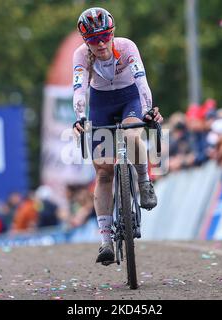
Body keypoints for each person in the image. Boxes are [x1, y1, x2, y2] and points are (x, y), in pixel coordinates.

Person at [72, 7, 163, 264]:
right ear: (85, 41)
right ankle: (105, 241)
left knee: (133, 135)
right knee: (102, 172)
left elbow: (142, 81)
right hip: (100, 103)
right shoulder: (81, 56)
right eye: (93, 40)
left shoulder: (126, 47)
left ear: (112, 33)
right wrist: (80, 118)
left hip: (129, 97)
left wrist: (147, 112)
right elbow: (79, 91)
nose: (100, 44)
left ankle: (144, 182)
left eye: (104, 36)